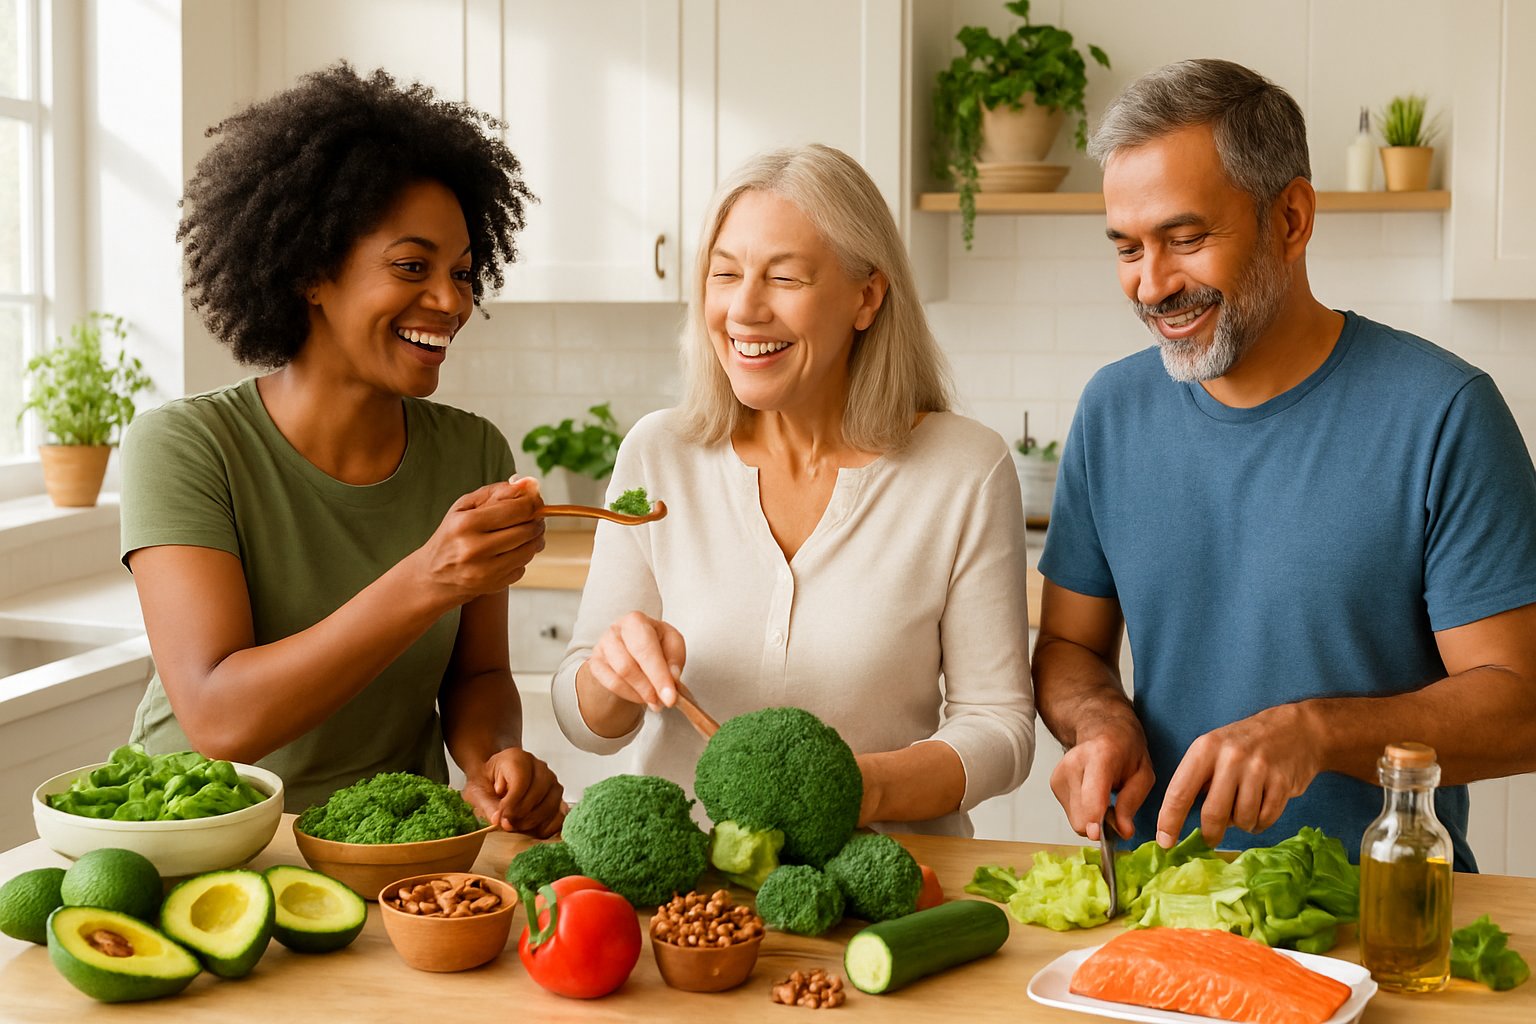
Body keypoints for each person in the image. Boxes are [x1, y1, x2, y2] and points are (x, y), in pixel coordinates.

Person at [1034, 58, 1536, 871]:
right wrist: (1101, 721)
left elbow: (1521, 705)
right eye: (1127, 247)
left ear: (1293, 218)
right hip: (1162, 903)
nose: (1151, 284)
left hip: (1376, 910)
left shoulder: (1443, 412)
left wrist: (1317, 733)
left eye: (1186, 238)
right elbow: (1067, 646)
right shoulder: (1111, 411)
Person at [119, 64, 565, 836]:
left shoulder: (472, 451)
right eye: (411, 266)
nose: (452, 301)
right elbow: (219, 719)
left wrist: (495, 758)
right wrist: (428, 578)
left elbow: (480, 673)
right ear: (311, 272)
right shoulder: (188, 446)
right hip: (199, 843)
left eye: (461, 273)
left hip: (391, 844)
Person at [551, 144, 1034, 836]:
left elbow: (1001, 728)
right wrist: (608, 675)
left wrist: (855, 788)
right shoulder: (660, 454)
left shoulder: (962, 467)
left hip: (885, 884)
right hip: (690, 897)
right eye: (724, 274)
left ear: (866, 295)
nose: (744, 310)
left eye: (785, 278)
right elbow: (586, 724)